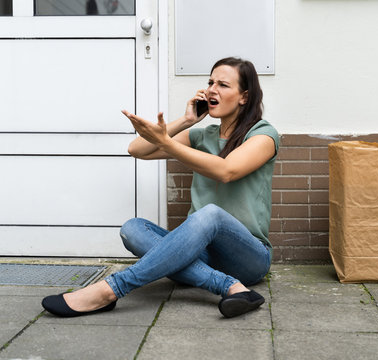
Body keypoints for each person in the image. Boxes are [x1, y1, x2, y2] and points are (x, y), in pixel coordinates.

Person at [42, 57, 280, 318]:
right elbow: (137, 149)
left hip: (249, 257)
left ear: (244, 97)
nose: (212, 90)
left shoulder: (263, 134)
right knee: (133, 229)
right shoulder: (201, 135)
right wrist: (186, 121)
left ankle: (110, 290)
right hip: (200, 253)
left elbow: (226, 171)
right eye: (210, 82)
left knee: (210, 214)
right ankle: (230, 287)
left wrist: (167, 143)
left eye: (223, 85)